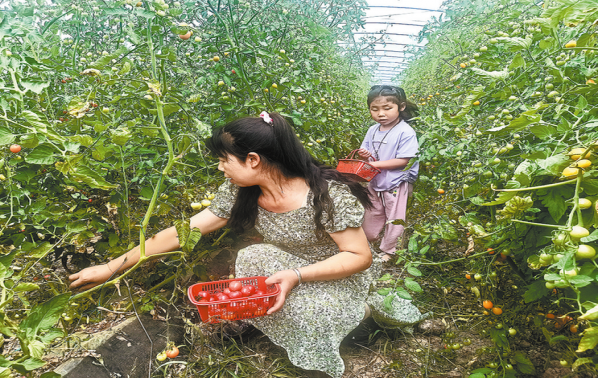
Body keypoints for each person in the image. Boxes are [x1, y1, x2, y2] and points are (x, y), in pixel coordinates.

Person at [69, 111, 426, 378]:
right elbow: (182, 231)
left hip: (337, 274)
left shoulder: (326, 194)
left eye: (225, 160)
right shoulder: (242, 190)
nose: (222, 168)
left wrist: (297, 276)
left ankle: (362, 311)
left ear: (253, 160)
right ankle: (307, 311)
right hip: (287, 266)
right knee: (253, 256)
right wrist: (112, 266)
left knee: (309, 314)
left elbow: (358, 256)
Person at [357, 85, 420, 262]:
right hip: (376, 179)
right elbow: (365, 148)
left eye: (387, 108)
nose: (381, 114)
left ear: (401, 107)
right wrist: (364, 153)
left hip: (397, 181)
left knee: (395, 216)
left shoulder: (405, 132)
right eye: (374, 109)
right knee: (373, 209)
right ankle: (369, 238)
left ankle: (391, 251)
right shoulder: (373, 130)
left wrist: (375, 164)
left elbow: (405, 160)